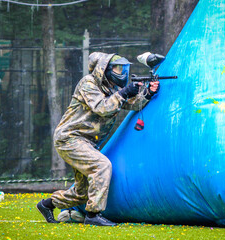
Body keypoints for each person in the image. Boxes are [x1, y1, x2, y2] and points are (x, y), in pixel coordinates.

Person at [36, 52, 160, 226]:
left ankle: (47, 204)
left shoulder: (112, 88)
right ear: (105, 69)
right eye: (118, 68)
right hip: (70, 138)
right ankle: (93, 215)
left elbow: (133, 105)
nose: (122, 72)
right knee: (101, 166)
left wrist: (148, 93)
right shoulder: (88, 83)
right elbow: (102, 107)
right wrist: (125, 92)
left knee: (82, 193)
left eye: (124, 68)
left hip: (87, 142)